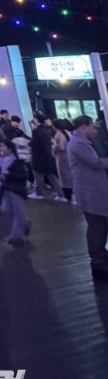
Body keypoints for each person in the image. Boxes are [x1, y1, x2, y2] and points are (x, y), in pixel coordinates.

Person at [67, 115, 108, 281]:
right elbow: (95, 163)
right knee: (97, 229)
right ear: (83, 127)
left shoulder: (80, 142)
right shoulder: (77, 143)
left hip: (93, 192)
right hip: (90, 194)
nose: (95, 130)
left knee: (100, 227)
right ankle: (98, 263)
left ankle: (101, 259)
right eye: (93, 127)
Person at [0, 141, 31, 245]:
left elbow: (24, 176)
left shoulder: (17, 162)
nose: (1, 148)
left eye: (2, 146)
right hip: (6, 189)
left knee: (16, 213)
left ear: (10, 149)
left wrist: (8, 174)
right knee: (7, 211)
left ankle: (16, 236)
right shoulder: (1, 160)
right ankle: (25, 223)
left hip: (16, 190)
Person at [31, 115, 66, 201]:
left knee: (38, 175)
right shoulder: (46, 130)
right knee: (52, 176)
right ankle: (61, 194)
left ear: (37, 120)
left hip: (39, 157)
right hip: (48, 156)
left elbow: (34, 144)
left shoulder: (37, 131)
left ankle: (39, 193)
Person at [53, 119, 74, 201]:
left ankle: (67, 195)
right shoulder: (67, 133)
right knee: (68, 175)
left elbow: (61, 147)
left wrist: (54, 146)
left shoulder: (59, 135)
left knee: (64, 177)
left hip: (62, 157)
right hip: (67, 156)